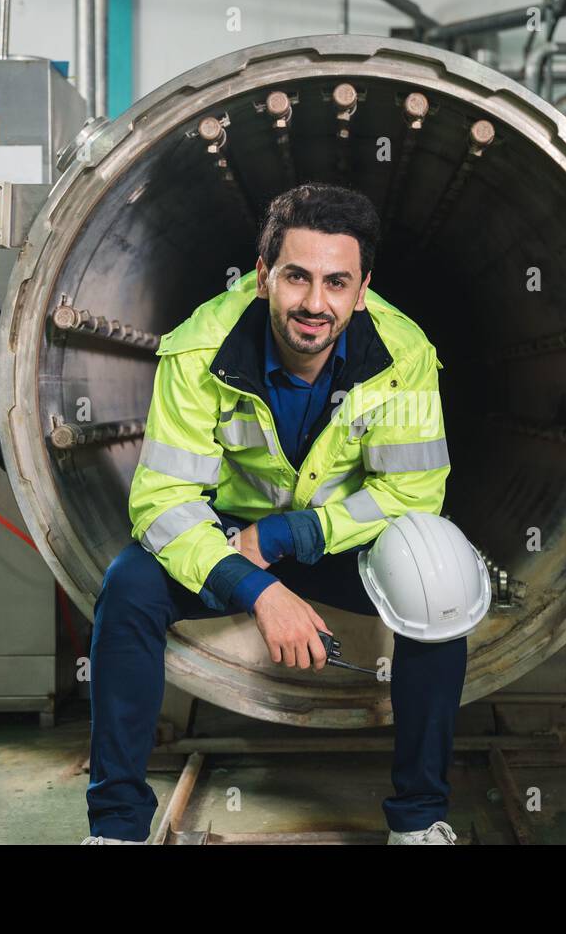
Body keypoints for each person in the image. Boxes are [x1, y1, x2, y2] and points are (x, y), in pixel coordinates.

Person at [83, 182, 465, 845]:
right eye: (297, 277)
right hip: (234, 542)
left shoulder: (404, 357)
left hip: (346, 538)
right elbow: (163, 503)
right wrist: (255, 587)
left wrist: (296, 532)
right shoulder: (200, 349)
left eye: (336, 282)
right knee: (130, 587)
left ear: (363, 289)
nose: (315, 303)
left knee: (440, 585)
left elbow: (412, 494)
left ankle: (419, 818)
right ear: (263, 278)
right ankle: (116, 827)